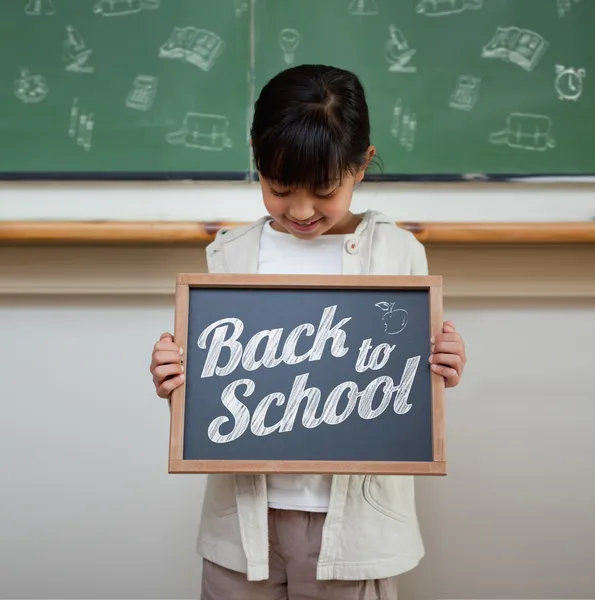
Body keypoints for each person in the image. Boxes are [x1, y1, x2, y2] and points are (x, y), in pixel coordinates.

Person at [149, 64, 467, 600]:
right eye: (279, 188)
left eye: (323, 190)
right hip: (245, 525)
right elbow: (214, 390)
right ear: (256, 157)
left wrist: (443, 364)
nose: (300, 209)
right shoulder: (230, 255)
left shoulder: (397, 254)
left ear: (361, 165)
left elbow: (409, 382)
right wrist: (175, 377)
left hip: (353, 529)